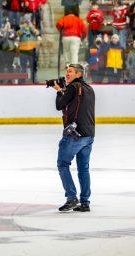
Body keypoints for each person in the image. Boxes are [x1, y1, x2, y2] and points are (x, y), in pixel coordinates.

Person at [53, 64, 95, 213]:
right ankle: (85, 202)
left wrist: (59, 92)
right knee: (83, 168)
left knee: (62, 164)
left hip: (75, 135)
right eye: (66, 72)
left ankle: (71, 197)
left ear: (78, 74)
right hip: (89, 135)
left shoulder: (73, 88)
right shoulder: (89, 88)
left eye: (70, 72)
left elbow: (59, 106)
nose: (67, 74)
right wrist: (65, 91)